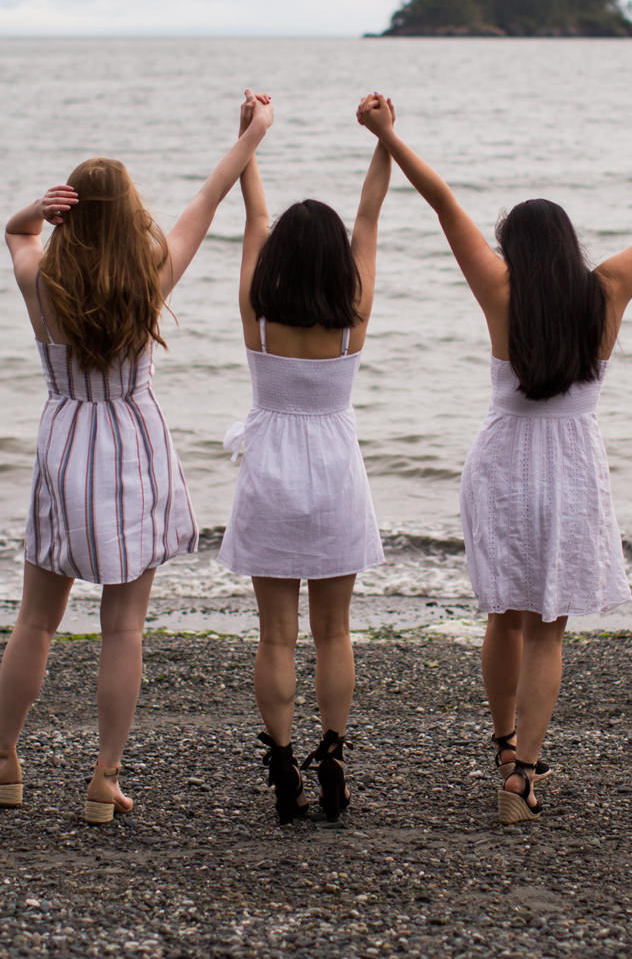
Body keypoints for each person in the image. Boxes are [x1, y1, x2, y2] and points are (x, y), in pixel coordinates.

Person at [358, 93, 632, 823]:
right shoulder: (607, 289)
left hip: (504, 462)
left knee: (504, 613)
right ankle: (522, 774)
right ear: (569, 244)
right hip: (572, 464)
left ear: (515, 248)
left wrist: (386, 134)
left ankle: (502, 743)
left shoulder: (498, 288)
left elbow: (441, 201)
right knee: (548, 626)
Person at [0, 89, 274, 824]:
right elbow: (211, 194)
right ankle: (104, 777)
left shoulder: (42, 277)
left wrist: (38, 210)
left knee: (36, 619)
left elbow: (12, 234)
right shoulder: (150, 274)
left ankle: (2, 761)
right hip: (132, 444)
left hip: (66, 443)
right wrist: (253, 132)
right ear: (131, 214)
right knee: (123, 626)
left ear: (70, 214)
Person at [216, 116, 393, 823]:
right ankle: (334, 755)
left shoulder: (257, 314)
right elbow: (370, 214)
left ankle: (283, 764)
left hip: (269, 475)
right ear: (338, 262)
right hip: (335, 473)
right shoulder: (353, 313)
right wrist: (384, 140)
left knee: (273, 635)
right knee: (335, 633)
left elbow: (254, 213)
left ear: (280, 259)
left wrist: (249, 137)